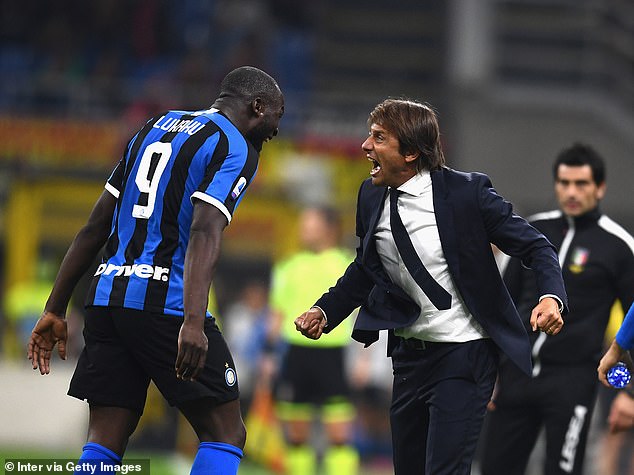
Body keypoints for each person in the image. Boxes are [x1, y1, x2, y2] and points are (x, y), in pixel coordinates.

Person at [27, 65, 285, 475]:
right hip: (165, 304)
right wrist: (194, 322)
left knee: (105, 439)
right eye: (276, 116)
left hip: (107, 298)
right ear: (257, 107)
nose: (275, 130)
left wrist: (54, 307)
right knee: (226, 433)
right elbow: (204, 230)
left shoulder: (153, 126)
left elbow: (95, 226)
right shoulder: (233, 146)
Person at [294, 98, 567, 475]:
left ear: (409, 153)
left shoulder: (466, 193)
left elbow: (536, 246)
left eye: (378, 137)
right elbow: (365, 269)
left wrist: (551, 296)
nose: (365, 146)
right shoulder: (370, 195)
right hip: (408, 357)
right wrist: (325, 310)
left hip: (464, 355)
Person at [480, 143, 634, 475]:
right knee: (494, 468)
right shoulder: (533, 231)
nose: (571, 192)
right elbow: (500, 305)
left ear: (600, 188)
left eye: (581, 184)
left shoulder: (619, 246)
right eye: (564, 183)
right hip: (515, 375)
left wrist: (629, 393)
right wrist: (488, 370)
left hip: (573, 381)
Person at [266, 205, 359, 475]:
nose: (304, 229)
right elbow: (276, 313)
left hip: (335, 354)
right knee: (296, 436)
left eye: (310, 223)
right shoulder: (288, 266)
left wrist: (365, 358)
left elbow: (361, 311)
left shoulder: (347, 266)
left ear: (329, 228)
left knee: (340, 436)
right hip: (295, 354)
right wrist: (268, 356)